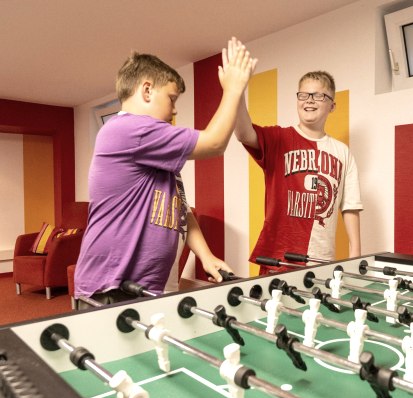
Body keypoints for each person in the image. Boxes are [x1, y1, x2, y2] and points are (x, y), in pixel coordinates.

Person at [74, 37, 257, 306]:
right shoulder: (126, 130)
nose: (174, 109)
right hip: (110, 289)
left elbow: (178, 208)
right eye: (171, 98)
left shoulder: (155, 154)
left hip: (142, 289)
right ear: (146, 90)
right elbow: (214, 143)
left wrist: (205, 256)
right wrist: (233, 89)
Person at [234, 70, 362, 274]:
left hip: (321, 261)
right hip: (277, 259)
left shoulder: (343, 153)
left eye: (319, 95)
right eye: (303, 95)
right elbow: (243, 133)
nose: (309, 101)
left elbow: (350, 205)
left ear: (332, 106)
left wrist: (355, 253)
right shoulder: (279, 138)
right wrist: (236, 92)